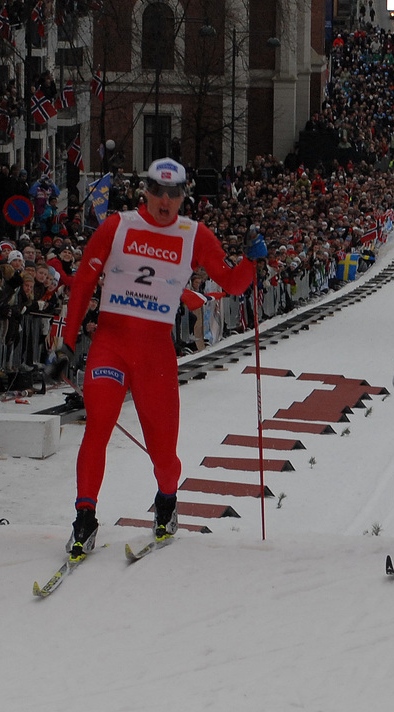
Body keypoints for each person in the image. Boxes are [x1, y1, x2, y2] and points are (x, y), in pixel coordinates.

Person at [53, 158, 268, 560]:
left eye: (174, 194)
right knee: (97, 426)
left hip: (155, 356)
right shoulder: (117, 226)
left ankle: (167, 501)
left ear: (185, 196)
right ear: (145, 192)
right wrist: (67, 343)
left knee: (164, 452)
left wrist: (251, 260)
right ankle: (85, 516)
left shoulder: (195, 234)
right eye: (158, 192)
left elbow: (233, 282)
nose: (165, 201)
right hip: (111, 345)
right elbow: (83, 281)